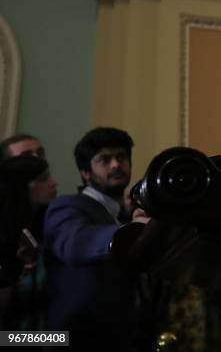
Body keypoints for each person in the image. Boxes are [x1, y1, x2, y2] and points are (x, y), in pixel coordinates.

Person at [43, 127, 151, 351]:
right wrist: (131, 229)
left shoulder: (125, 216)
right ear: (86, 172)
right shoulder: (67, 206)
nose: (115, 165)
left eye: (121, 157)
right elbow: (75, 243)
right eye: (104, 159)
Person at [0, 155, 56, 331]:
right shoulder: (7, 238)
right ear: (23, 187)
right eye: (43, 179)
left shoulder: (44, 226)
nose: (54, 183)